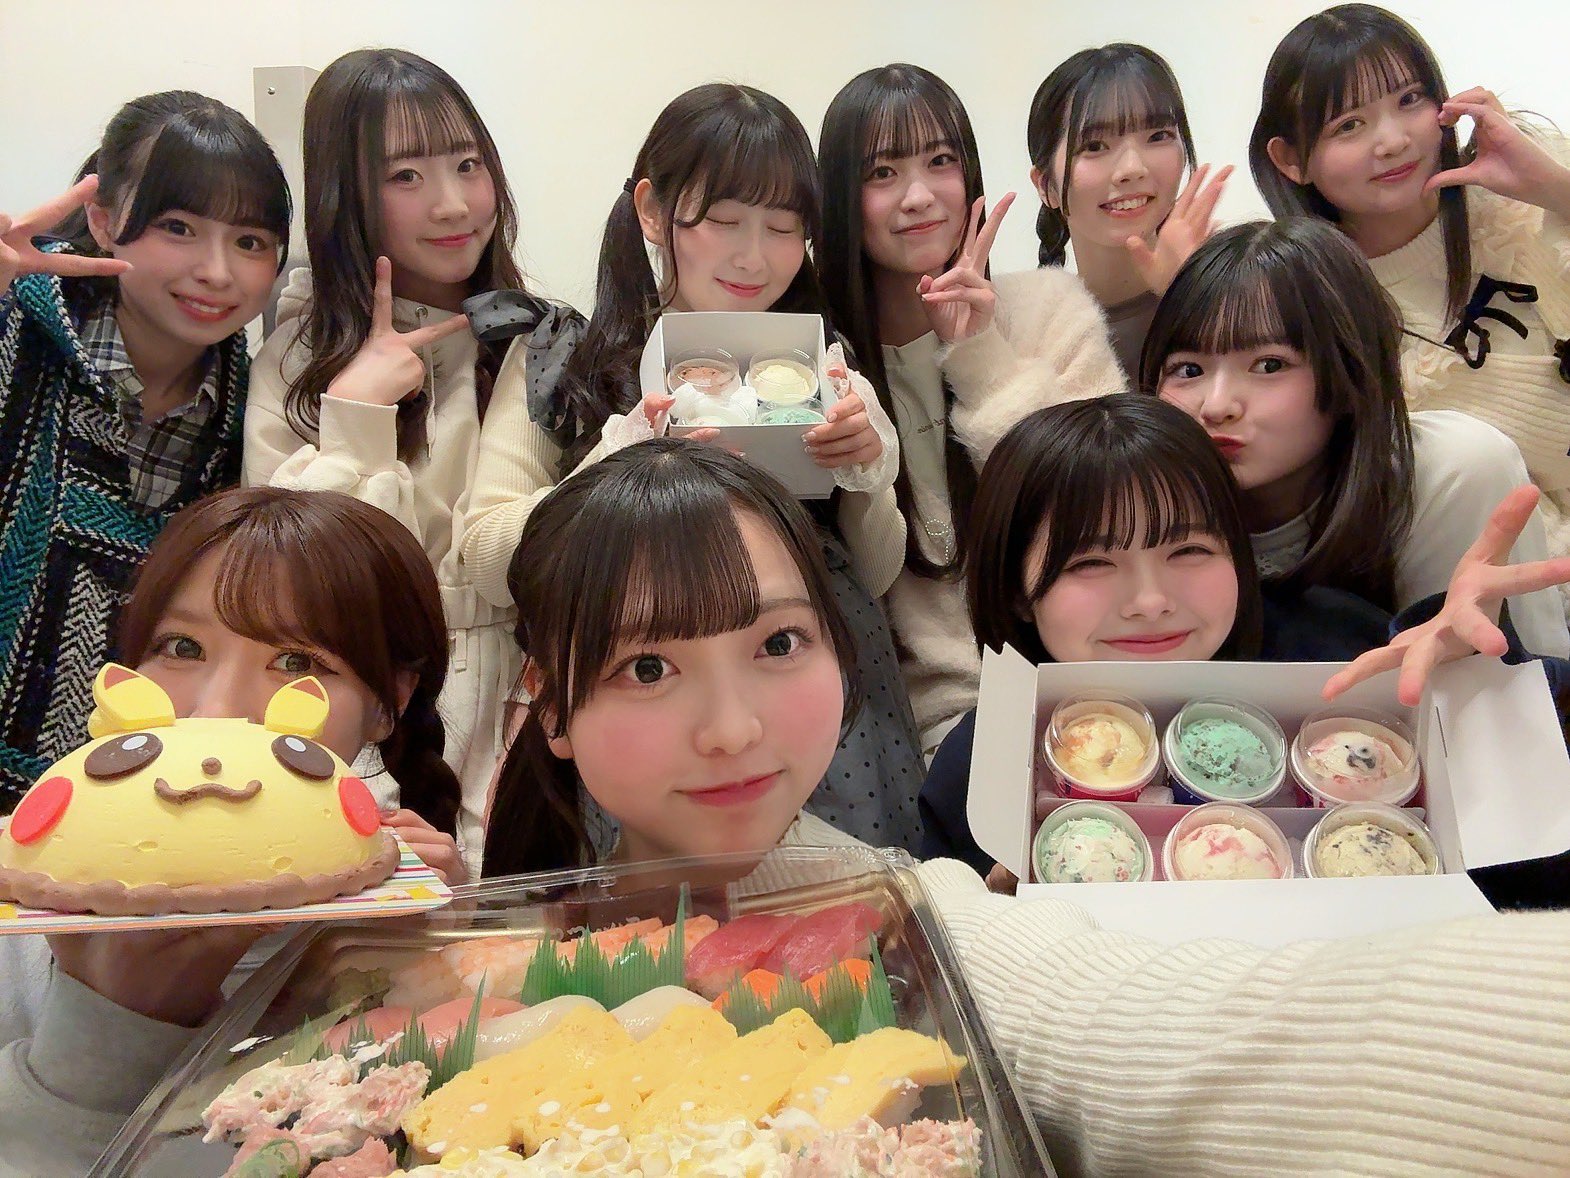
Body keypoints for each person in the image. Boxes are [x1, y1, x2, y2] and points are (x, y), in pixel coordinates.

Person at [475, 436, 1570, 1177]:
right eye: (649, 668)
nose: (731, 728)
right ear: (548, 704)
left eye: (778, 642)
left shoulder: (911, 916)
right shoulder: (458, 939)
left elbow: (1172, 1029)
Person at [463, 83, 923, 850]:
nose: (755, 256)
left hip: (820, 702)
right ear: (652, 210)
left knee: (843, 906)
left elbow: (869, 579)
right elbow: (484, 559)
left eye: (784, 226)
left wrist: (870, 473)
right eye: (725, 220)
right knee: (661, 909)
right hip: (645, 697)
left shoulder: (819, 370)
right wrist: (615, 461)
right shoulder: (561, 358)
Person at [0, 485, 465, 1177]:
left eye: (298, 663)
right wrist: (105, 1022)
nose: (216, 711)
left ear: (388, 701)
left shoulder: (416, 928)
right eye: (181, 646)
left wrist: (440, 950)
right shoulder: (28, 907)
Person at [919, 395, 1570, 869]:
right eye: (1090, 563)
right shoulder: (981, 766)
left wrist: (1478, 685)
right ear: (1017, 588)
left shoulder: (1343, 650)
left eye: (1189, 551)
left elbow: (1533, 860)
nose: (1151, 601)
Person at [243, 49, 566, 874]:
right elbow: (286, 579)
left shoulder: (545, 337)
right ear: (347, 194)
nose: (452, 203)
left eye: (468, 165)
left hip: (536, 703)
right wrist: (358, 413)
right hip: (374, 713)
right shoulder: (298, 356)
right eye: (406, 176)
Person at [817, 63, 1125, 758]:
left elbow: (1104, 513)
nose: (920, 196)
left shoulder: (1048, 309)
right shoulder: (826, 369)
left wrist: (981, 356)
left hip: (1088, 683)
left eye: (940, 161)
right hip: (929, 726)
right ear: (841, 197)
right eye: (883, 173)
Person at [0, 92, 290, 811]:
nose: (217, 272)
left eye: (250, 242)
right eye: (178, 228)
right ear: (103, 221)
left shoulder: (258, 418)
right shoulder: (14, 334)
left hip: (139, 813)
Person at [1146, 217, 1569, 657]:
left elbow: (1538, 684)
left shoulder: (1449, 472)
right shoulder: (1134, 497)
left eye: (1269, 365)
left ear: (1351, 373)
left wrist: (1469, 661)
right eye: (1188, 370)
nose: (1216, 406)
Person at [1251, 3, 1570, 582]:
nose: (1393, 141)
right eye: (1348, 125)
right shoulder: (1308, 311)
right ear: (1291, 160)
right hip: (1521, 586)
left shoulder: (1534, 192)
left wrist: (1558, 191)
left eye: (1409, 100)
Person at [1027, 42, 1230, 377]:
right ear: (1046, 185)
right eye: (1095, 146)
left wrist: (1190, 298)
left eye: (1158, 136)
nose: (1132, 168)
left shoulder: (1243, 292)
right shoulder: (1023, 335)